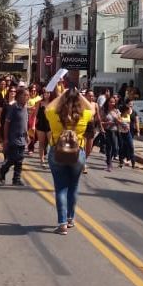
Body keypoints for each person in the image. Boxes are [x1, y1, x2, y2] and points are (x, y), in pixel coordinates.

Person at [45, 88, 94, 235]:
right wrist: (79, 95)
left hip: (57, 151)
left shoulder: (54, 114)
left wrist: (61, 95)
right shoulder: (83, 115)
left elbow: (47, 107)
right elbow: (91, 108)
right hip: (77, 152)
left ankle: (62, 223)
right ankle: (70, 218)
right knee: (73, 186)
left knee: (60, 188)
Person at [0, 88, 28, 186]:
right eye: (25, 95)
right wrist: (6, 138)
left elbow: (24, 123)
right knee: (14, 158)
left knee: (20, 160)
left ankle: (16, 179)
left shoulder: (24, 108)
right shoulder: (13, 107)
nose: (27, 97)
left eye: (28, 95)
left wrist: (27, 135)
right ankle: (3, 170)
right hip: (13, 138)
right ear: (19, 96)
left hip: (22, 138)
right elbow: (6, 124)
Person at [102, 96, 121, 172]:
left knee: (115, 148)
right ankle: (109, 164)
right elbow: (101, 122)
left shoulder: (117, 111)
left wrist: (117, 120)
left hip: (115, 131)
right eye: (110, 102)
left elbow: (120, 121)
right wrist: (107, 123)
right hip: (107, 131)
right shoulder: (104, 111)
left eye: (113, 102)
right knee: (108, 147)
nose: (112, 103)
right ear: (107, 102)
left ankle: (109, 160)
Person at [118, 101, 136, 168]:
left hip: (128, 133)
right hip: (121, 134)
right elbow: (118, 121)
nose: (129, 110)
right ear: (125, 110)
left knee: (131, 146)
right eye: (128, 109)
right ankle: (121, 161)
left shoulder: (128, 115)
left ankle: (133, 162)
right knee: (122, 147)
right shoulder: (120, 116)